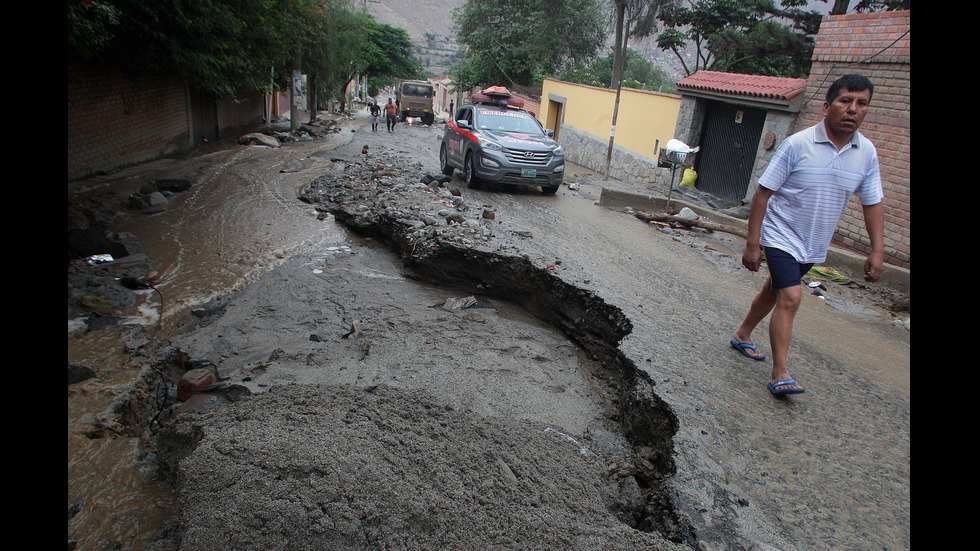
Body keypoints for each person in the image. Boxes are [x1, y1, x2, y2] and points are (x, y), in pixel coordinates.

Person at [730, 74, 885, 396]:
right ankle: (780, 372)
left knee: (774, 292)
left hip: (813, 243)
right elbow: (762, 193)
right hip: (780, 235)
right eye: (845, 101)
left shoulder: (866, 153)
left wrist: (877, 250)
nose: (853, 109)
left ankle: (742, 334)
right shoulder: (798, 144)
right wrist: (753, 244)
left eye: (862, 103)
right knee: (791, 296)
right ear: (828, 106)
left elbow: (872, 203)